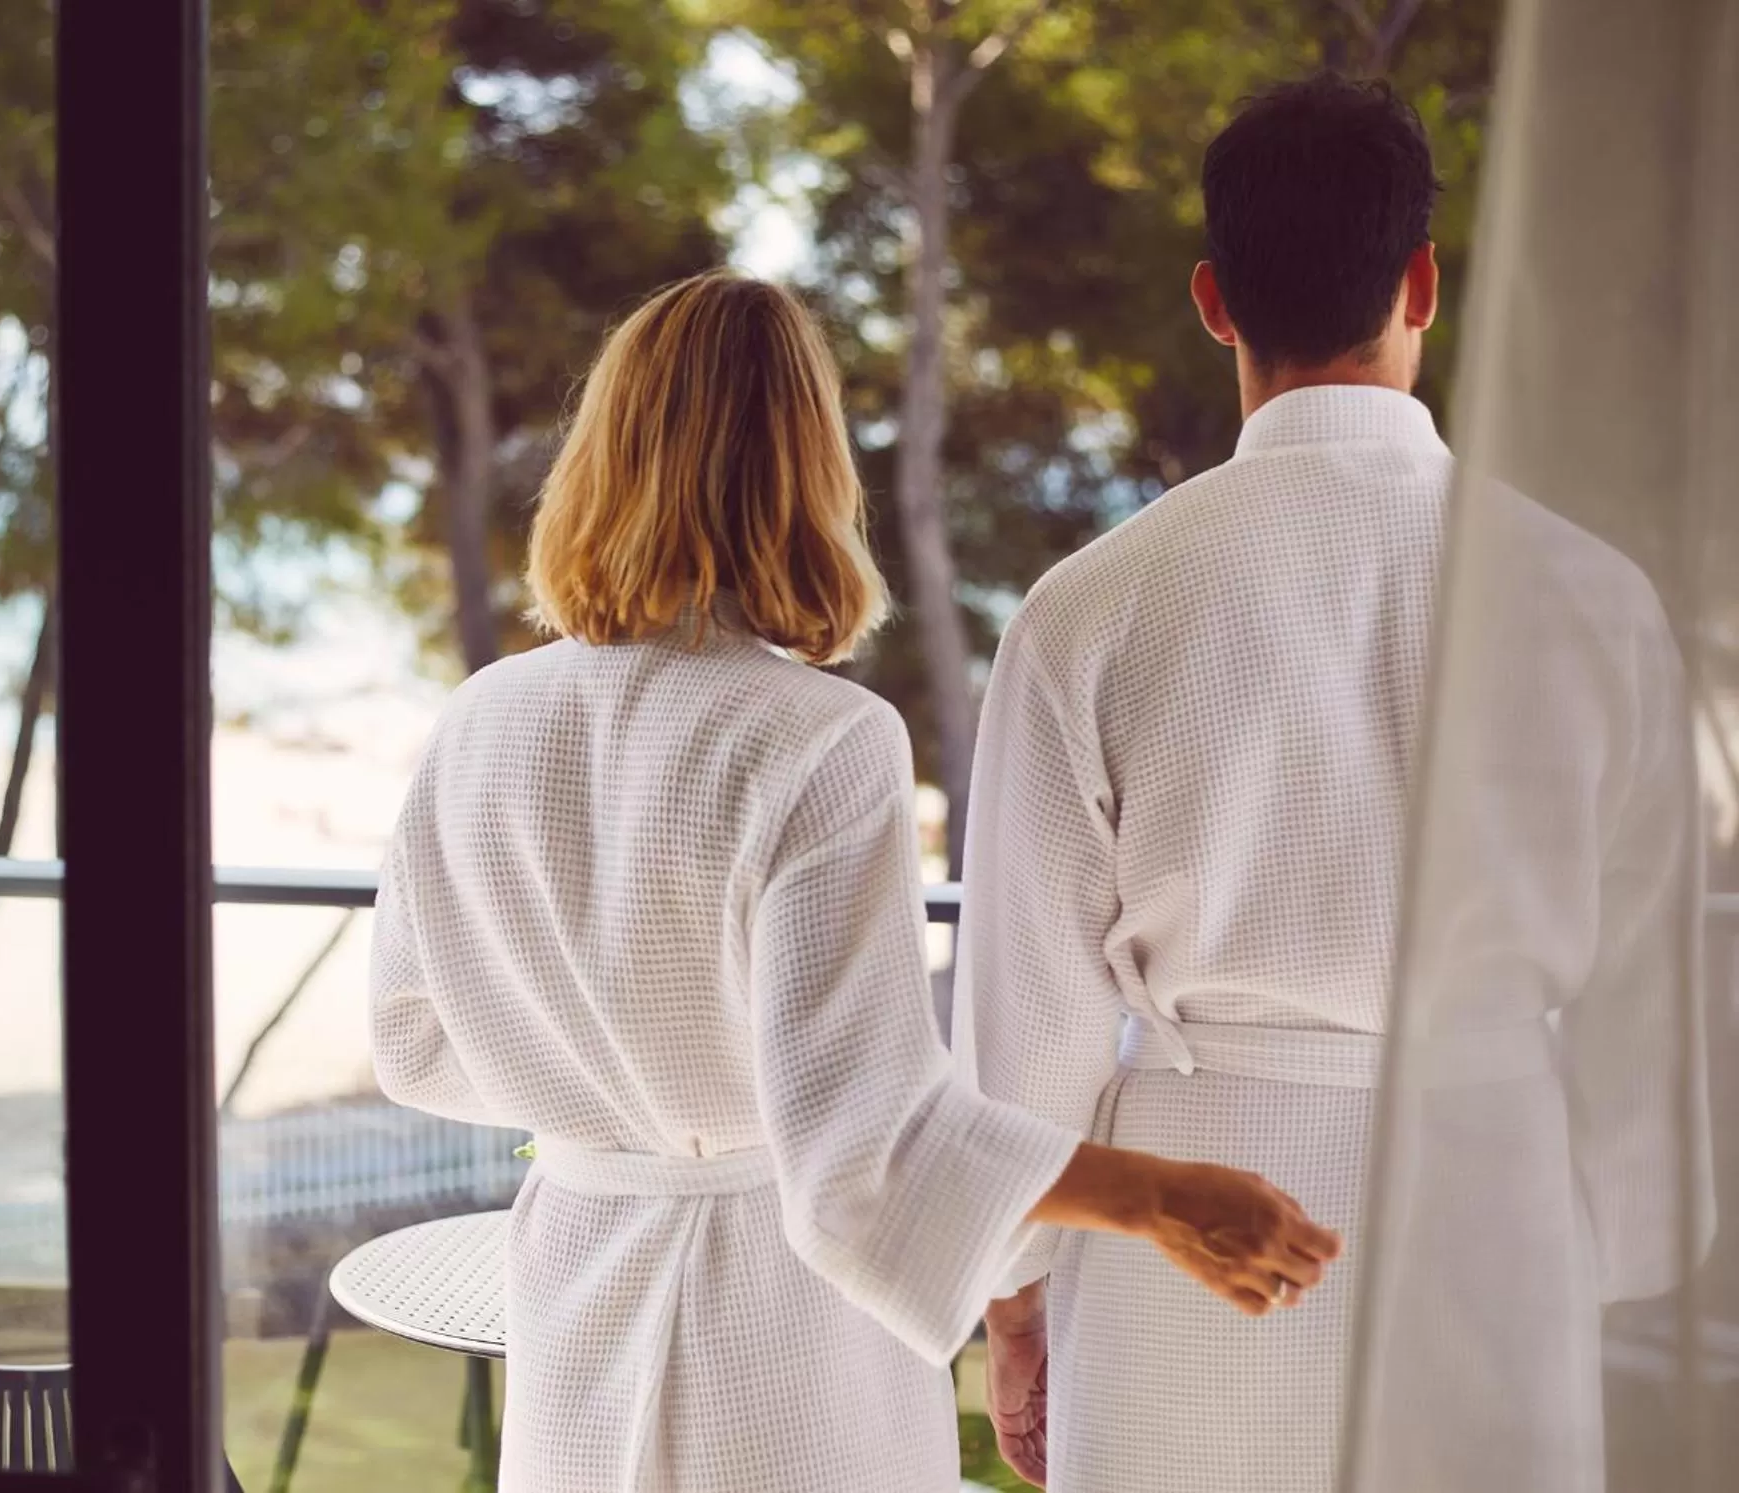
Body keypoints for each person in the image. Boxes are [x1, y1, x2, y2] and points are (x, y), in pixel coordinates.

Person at [369, 269, 1339, 1493]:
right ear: (807, 466)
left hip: (576, 1284)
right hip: (781, 1333)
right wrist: (1159, 1195)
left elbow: (413, 1048)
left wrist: (617, 1101)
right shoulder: (818, 740)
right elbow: (858, 1144)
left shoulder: (478, 718)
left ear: (597, 453)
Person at [957, 76, 1451, 1491]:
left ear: (1214, 302)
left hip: (1178, 1242)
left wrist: (1014, 1298)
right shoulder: (1584, 594)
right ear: (1422, 283)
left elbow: (1027, 1022)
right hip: (1490, 1201)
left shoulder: (1088, 606)